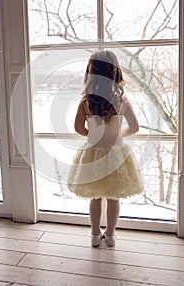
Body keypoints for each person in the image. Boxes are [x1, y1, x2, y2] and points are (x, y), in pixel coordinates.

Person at [67, 50, 143, 247]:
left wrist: (93, 136)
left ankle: (94, 234)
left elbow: (78, 128)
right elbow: (134, 128)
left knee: (95, 196)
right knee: (113, 197)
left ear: (91, 73)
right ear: (115, 73)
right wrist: (118, 136)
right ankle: (110, 235)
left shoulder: (86, 102)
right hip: (116, 155)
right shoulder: (122, 101)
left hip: (93, 154)